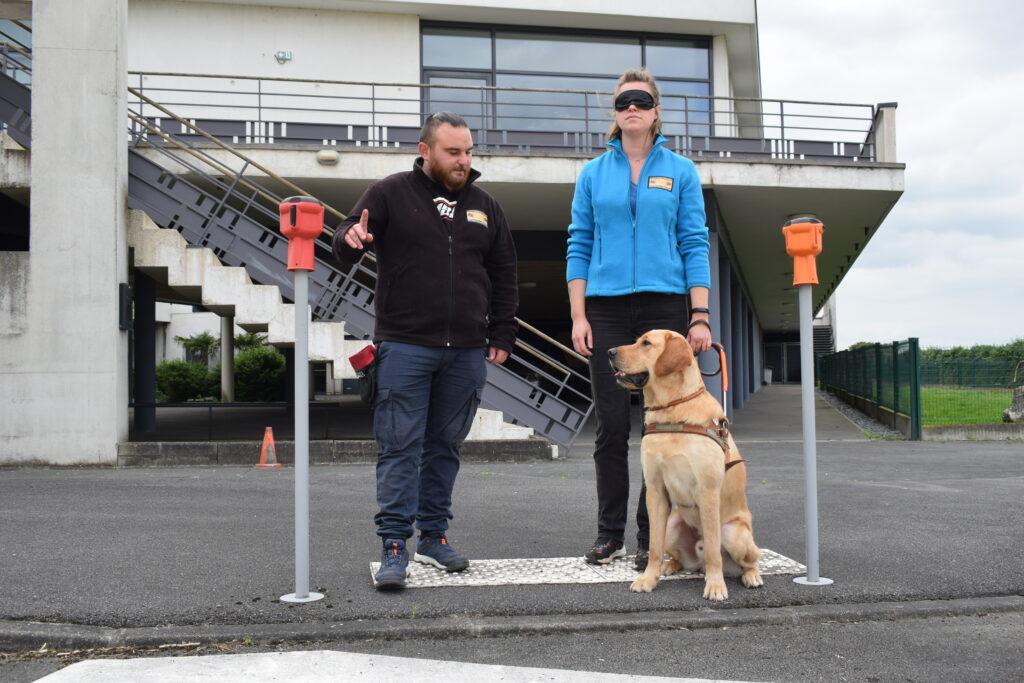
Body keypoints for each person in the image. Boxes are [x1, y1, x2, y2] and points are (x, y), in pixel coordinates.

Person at [333, 111, 518, 590]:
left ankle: (433, 537)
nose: (464, 160)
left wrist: (501, 335)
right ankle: (394, 544)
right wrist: (351, 238)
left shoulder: (485, 206)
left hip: (467, 352)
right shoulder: (390, 192)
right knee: (399, 448)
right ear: (425, 151)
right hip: (405, 347)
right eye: (453, 152)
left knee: (445, 449)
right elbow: (346, 241)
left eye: (469, 151)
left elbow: (504, 276)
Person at [566, 68, 712, 571]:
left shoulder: (681, 171)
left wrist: (699, 315)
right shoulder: (592, 174)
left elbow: (694, 242)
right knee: (611, 426)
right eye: (624, 101)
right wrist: (578, 314)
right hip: (606, 308)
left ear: (655, 112)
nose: (633, 108)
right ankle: (610, 534)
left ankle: (654, 534)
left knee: (663, 425)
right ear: (615, 111)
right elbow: (579, 243)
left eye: (642, 101)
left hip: (663, 308)